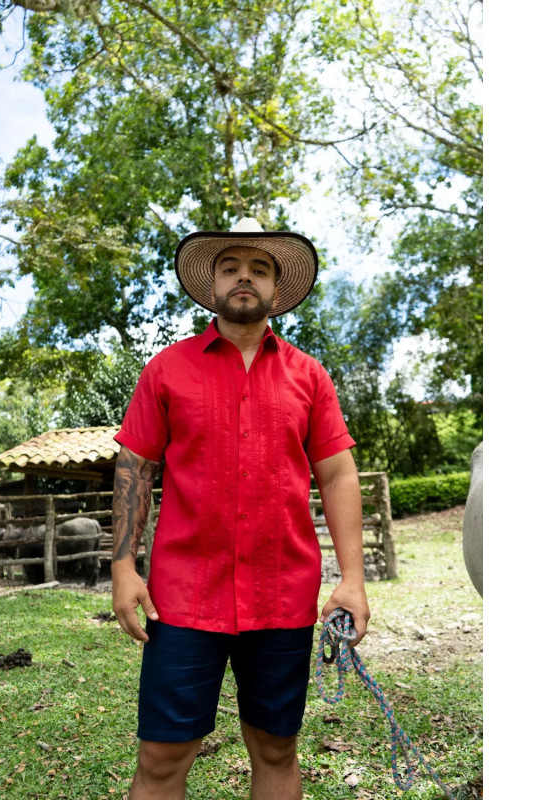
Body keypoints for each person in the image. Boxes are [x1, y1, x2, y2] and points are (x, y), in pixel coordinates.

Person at [111, 217, 370, 800]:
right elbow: (135, 469)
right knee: (161, 755)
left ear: (276, 290)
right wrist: (124, 569)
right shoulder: (166, 370)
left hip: (282, 594)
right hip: (181, 598)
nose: (244, 278)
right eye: (231, 267)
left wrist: (352, 579)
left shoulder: (310, 376)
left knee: (276, 747)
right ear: (213, 285)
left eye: (259, 269)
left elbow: (336, 471)